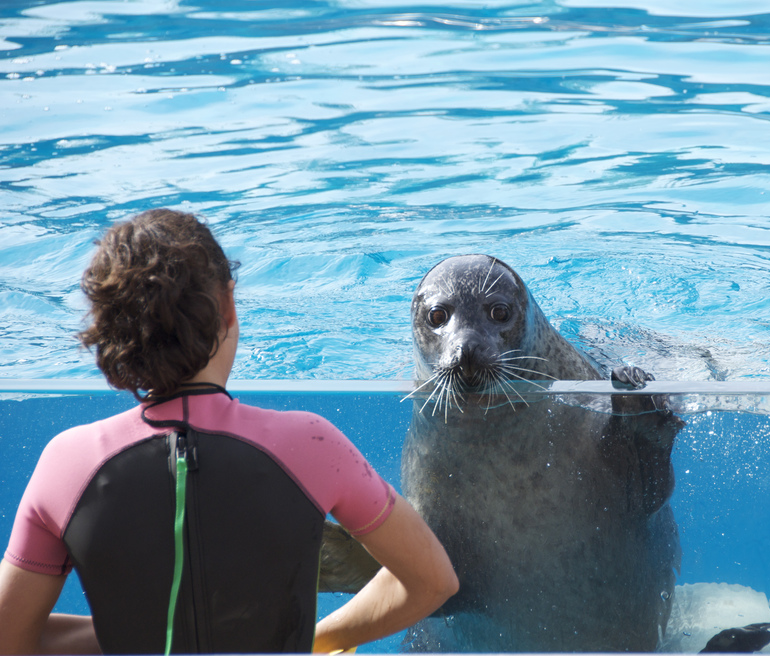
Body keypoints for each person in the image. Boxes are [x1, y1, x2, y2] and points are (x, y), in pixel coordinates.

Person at [0, 209, 458, 654]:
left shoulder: (69, 462)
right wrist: (317, 639)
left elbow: (10, 640)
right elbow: (432, 581)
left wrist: (140, 631)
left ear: (109, 330)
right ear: (227, 306)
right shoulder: (310, 443)